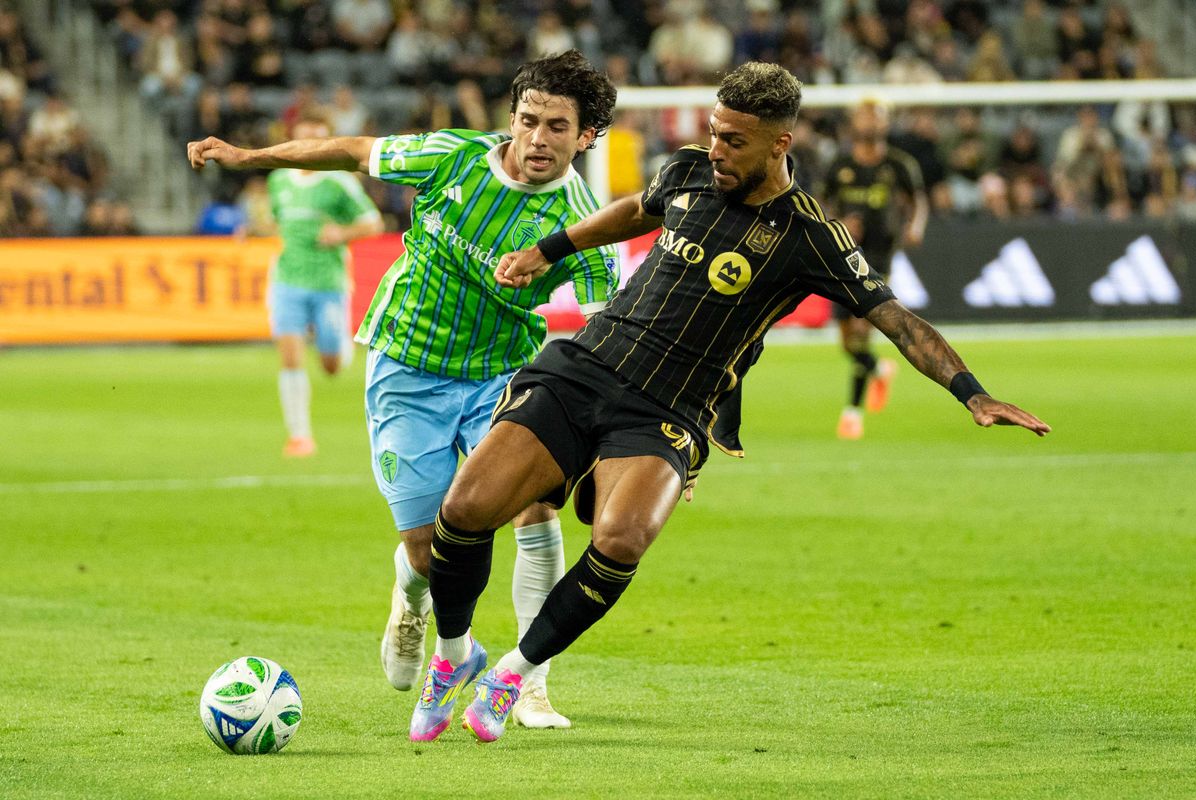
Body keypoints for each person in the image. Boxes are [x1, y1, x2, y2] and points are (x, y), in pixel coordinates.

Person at [418, 61, 1049, 745]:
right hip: (587, 367)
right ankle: (453, 658)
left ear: (779, 144)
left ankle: (515, 671)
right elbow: (637, 210)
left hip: (669, 408)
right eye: (714, 133)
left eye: (734, 141)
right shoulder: (689, 170)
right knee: (463, 510)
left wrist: (973, 392)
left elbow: (897, 321)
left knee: (621, 538)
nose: (716, 149)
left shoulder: (811, 236)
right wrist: (549, 248)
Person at [186, 50, 620, 732]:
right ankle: (412, 600)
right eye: (529, 120)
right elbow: (351, 150)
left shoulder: (587, 228)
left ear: (586, 137)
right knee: (427, 542)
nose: (538, 138)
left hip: (501, 376)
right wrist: (251, 156)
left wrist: (605, 423)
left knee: (535, 515)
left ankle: (529, 682)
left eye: (557, 127)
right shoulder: (449, 156)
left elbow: (606, 330)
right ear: (511, 118)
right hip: (406, 366)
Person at [264, 109, 383, 456]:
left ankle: (339, 347)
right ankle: (299, 435)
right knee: (289, 355)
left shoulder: (339, 181)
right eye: (304, 137)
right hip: (287, 278)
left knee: (331, 366)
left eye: (318, 137)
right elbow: (277, 221)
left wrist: (341, 233)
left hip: (329, 281)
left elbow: (372, 222)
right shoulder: (279, 179)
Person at [822, 100, 928, 440]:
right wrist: (837, 224)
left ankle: (852, 413)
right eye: (865, 116)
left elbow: (917, 200)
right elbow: (821, 204)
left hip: (879, 257)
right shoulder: (839, 164)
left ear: (884, 124)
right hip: (842, 256)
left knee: (861, 328)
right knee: (846, 342)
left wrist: (915, 226)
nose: (871, 122)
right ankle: (879, 369)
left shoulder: (898, 164)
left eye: (877, 116)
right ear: (854, 122)